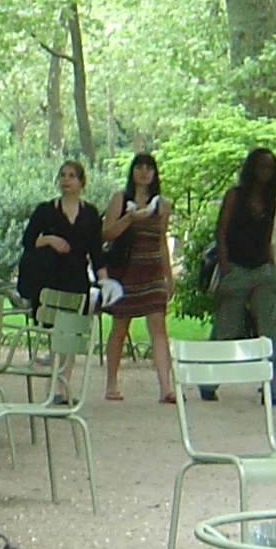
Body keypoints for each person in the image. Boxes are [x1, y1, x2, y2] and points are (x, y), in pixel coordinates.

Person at [206, 148, 276, 407]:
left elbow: (267, 236)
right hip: (236, 268)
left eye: (269, 168)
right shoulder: (234, 196)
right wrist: (225, 266)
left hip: (262, 271)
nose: (265, 173)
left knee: (271, 331)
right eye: (260, 167)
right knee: (227, 327)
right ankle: (207, 380)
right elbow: (221, 232)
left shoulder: (272, 200)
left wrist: (272, 267)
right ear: (251, 169)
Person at [101, 153, 178, 402]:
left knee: (157, 325)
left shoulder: (162, 205)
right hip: (125, 270)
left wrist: (168, 275)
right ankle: (112, 383)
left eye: (149, 168)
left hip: (152, 270)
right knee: (120, 326)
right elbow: (106, 234)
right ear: (132, 171)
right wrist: (129, 218)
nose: (144, 172)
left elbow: (162, 242)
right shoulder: (119, 199)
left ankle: (166, 387)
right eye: (139, 167)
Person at [16, 159, 99, 315]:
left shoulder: (90, 213)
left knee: (75, 327)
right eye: (62, 175)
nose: (66, 179)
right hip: (50, 276)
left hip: (77, 277)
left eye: (71, 176)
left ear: (81, 181)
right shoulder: (45, 209)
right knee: (49, 325)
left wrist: (105, 280)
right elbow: (27, 241)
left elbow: (96, 249)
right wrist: (49, 239)